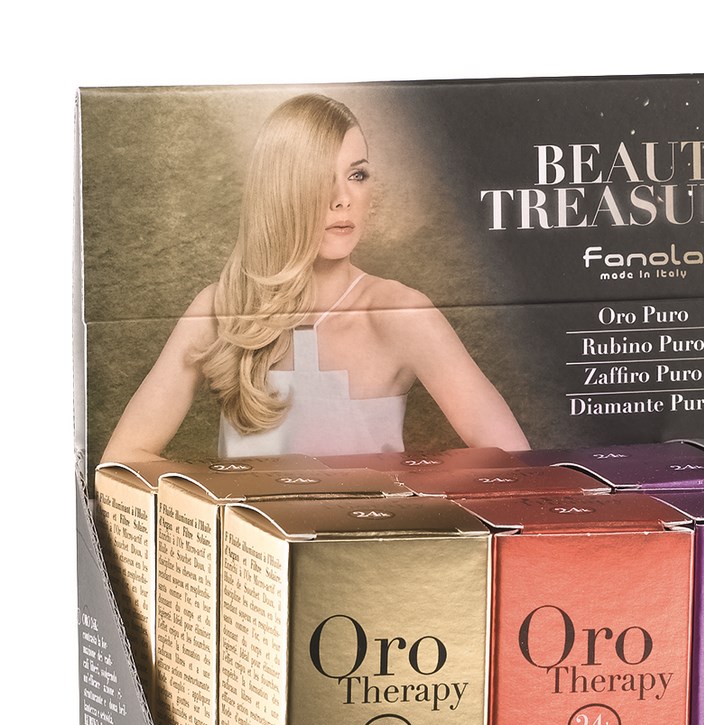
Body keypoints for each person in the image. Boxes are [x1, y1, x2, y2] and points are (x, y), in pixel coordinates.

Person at [105, 94, 529, 460]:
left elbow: (517, 465)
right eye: (318, 177)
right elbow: (122, 461)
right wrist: (211, 501)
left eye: (356, 175)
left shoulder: (401, 313)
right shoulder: (221, 308)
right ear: (278, 189)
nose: (343, 199)